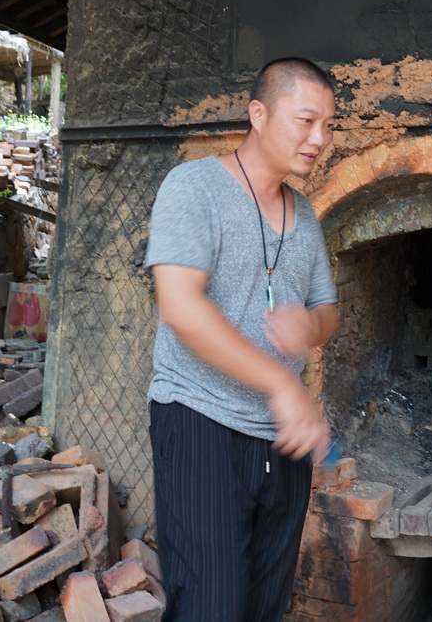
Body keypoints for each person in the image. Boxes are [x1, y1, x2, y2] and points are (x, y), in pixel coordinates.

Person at [144, 57, 339, 621]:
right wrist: (281, 381)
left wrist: (312, 325)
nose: (318, 138)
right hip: (202, 422)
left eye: (328, 125)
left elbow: (327, 310)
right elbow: (181, 306)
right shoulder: (194, 186)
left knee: (263, 608)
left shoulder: (304, 216)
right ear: (258, 114)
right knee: (211, 608)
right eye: (305, 121)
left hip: (283, 442)